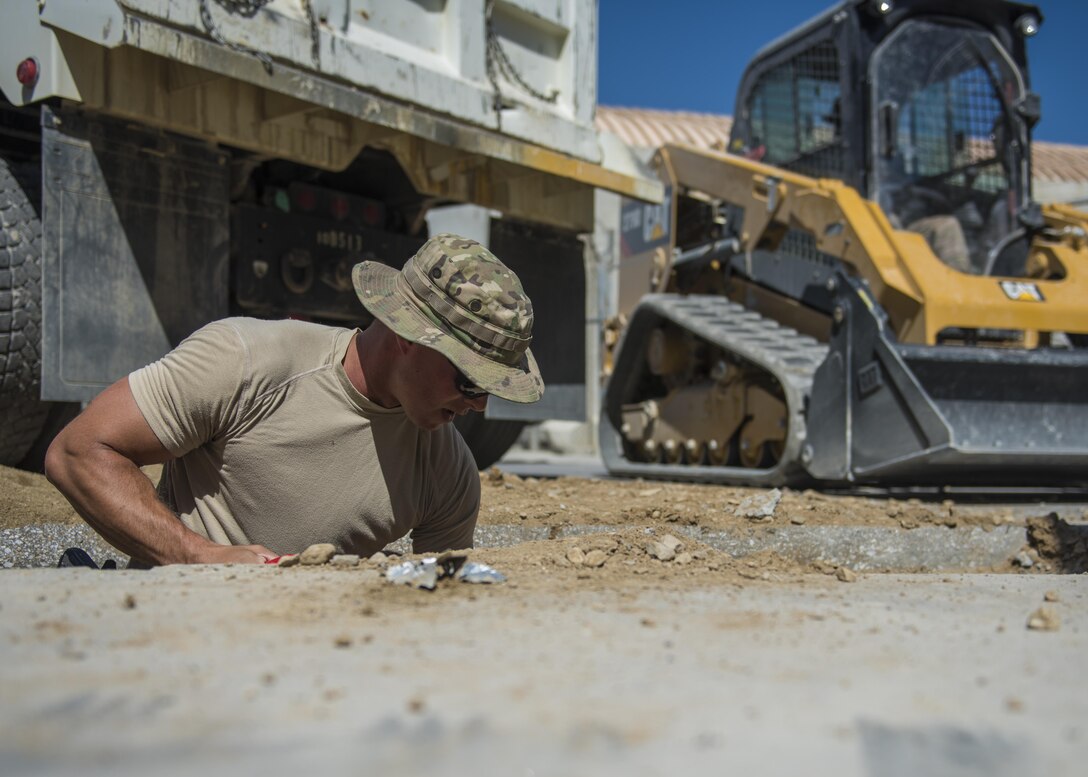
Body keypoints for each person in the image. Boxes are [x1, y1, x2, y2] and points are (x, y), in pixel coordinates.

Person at [45, 233, 544, 566]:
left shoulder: (448, 471)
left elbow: (442, 612)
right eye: (471, 381)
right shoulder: (248, 360)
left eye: (491, 389)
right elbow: (78, 452)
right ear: (409, 335)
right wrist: (198, 557)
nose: (479, 406)